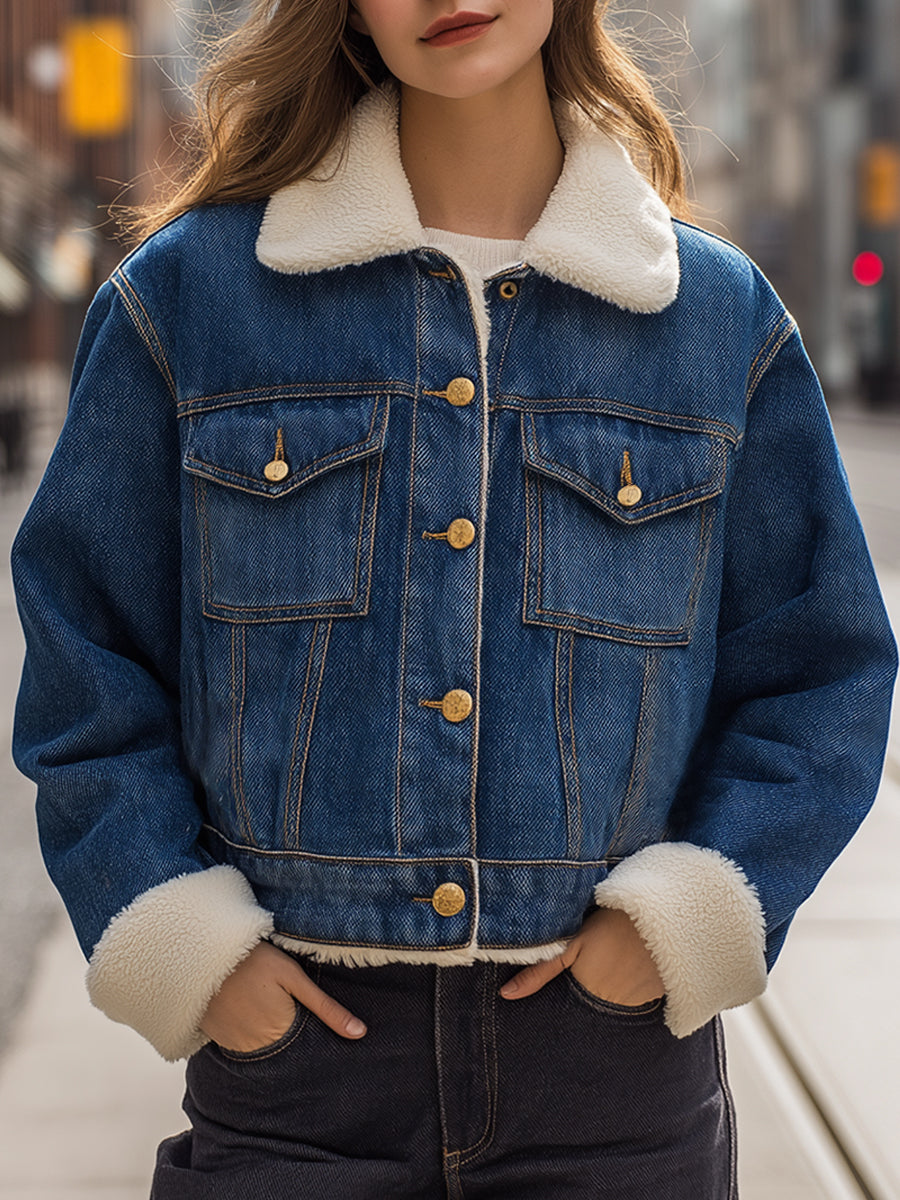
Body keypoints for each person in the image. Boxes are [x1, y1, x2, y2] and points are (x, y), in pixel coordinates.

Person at [12, 1, 897, 1196]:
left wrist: (681, 922)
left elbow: (820, 669)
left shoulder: (713, 321)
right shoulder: (189, 304)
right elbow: (89, 667)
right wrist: (195, 957)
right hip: (300, 1083)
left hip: (613, 1084)